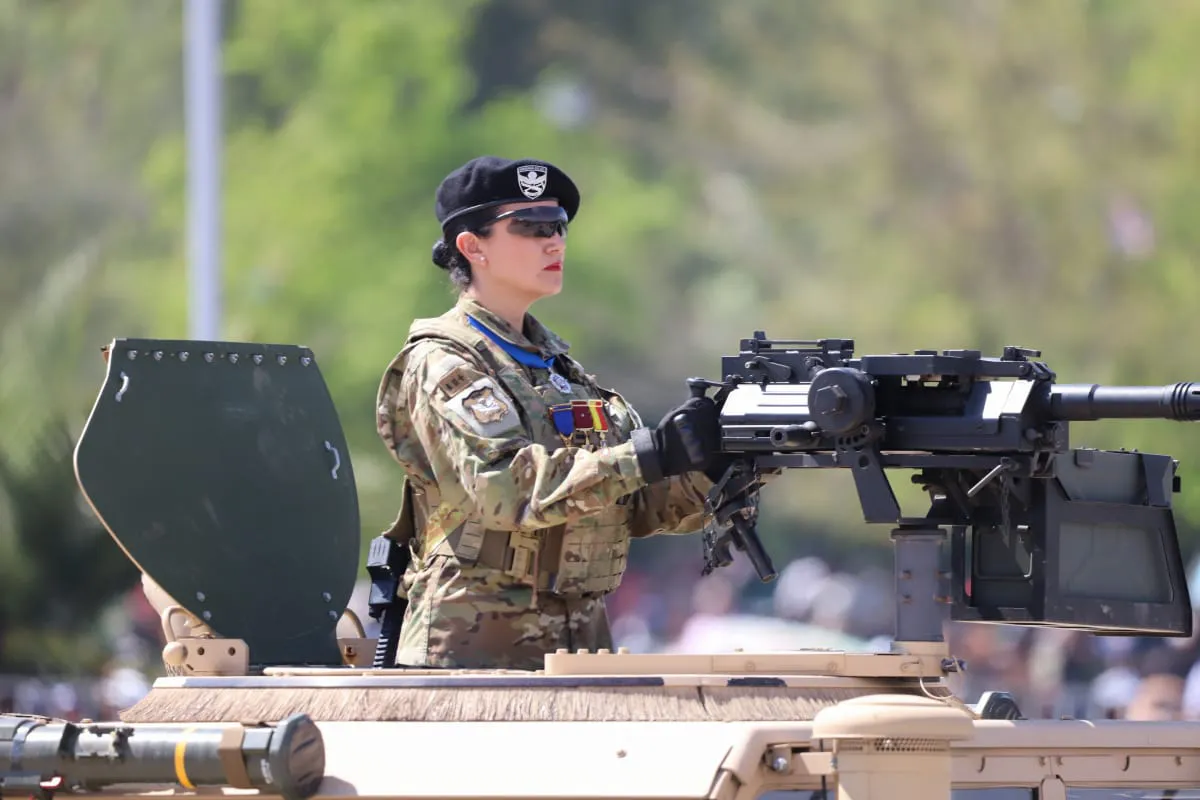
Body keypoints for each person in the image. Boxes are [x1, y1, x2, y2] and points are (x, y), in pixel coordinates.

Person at [375, 155, 726, 669]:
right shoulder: (445, 360)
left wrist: (719, 461)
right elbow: (507, 489)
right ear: (472, 247)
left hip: (579, 637)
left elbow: (638, 509)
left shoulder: (559, 370)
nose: (554, 242)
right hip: (473, 643)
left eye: (558, 227)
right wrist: (647, 454)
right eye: (531, 228)